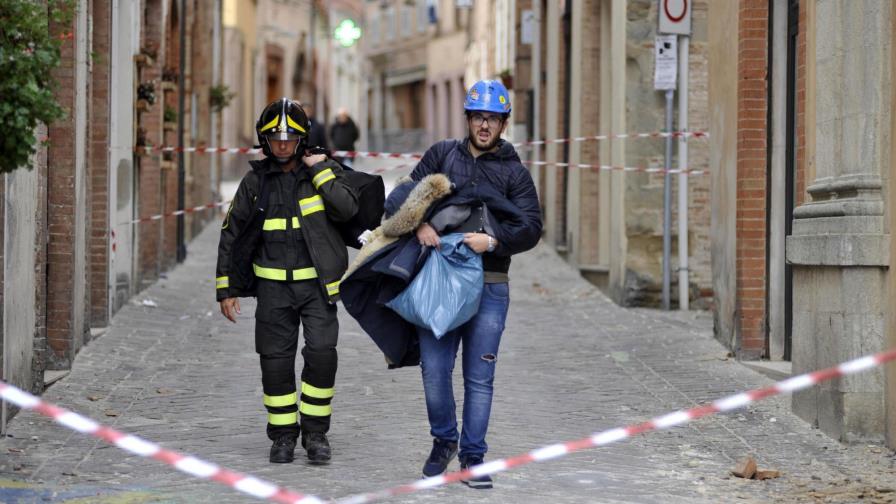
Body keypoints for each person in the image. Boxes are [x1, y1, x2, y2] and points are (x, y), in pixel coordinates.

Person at [409, 80, 542, 488]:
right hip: (441, 281)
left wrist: (495, 241)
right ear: (468, 119)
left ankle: (472, 458)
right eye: (478, 117)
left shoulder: (515, 173)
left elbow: (533, 228)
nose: (485, 125)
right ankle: (444, 438)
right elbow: (406, 196)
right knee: (434, 370)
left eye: (493, 118)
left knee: (479, 378)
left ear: (503, 124)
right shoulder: (441, 155)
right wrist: (421, 224)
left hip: (490, 284)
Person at [215, 98, 358, 465]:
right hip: (273, 291)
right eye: (275, 137)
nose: (282, 144)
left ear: (302, 139)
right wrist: (226, 288)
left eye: (290, 137)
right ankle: (282, 437)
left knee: (322, 358)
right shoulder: (254, 183)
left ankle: (315, 434)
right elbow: (231, 233)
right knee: (275, 364)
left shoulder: (323, 172)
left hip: (316, 288)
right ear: (265, 140)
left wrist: (321, 170)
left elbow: (347, 208)